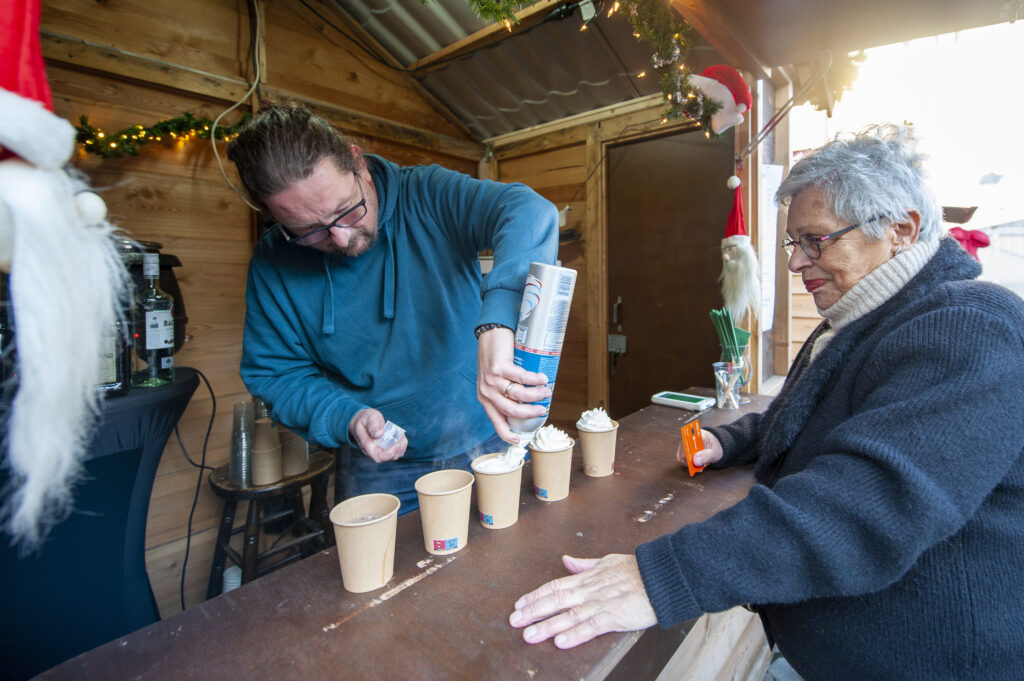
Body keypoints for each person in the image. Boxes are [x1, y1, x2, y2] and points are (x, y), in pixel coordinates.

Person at [509, 125, 1024, 680]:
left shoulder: (970, 326)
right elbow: (810, 415)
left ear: (900, 229)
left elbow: (862, 507)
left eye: (815, 240)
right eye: (792, 243)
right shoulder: (858, 321)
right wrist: (730, 440)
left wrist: (663, 575)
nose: (797, 263)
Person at [227, 103, 558, 512]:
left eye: (347, 210)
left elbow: (528, 210)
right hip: (380, 469)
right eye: (310, 232)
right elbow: (276, 373)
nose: (342, 238)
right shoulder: (272, 264)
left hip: (490, 437)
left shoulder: (427, 194)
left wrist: (498, 323)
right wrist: (344, 416)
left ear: (357, 163)